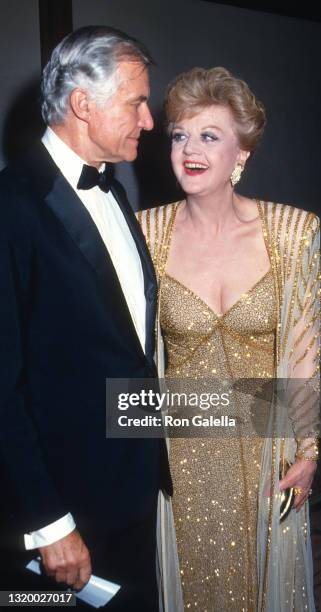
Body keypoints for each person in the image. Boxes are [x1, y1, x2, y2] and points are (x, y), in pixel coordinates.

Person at [0, 26, 172, 611]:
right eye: (136, 102)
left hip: (129, 489)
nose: (148, 121)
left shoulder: (116, 191)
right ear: (82, 104)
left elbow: (125, 351)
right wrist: (49, 522)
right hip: (63, 514)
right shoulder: (11, 207)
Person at [139, 67, 321, 611]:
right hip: (181, 455)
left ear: (242, 153)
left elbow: (305, 348)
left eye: (209, 136)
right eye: (179, 136)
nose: (189, 150)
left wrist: (309, 449)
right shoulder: (145, 232)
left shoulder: (293, 230)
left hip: (269, 451)